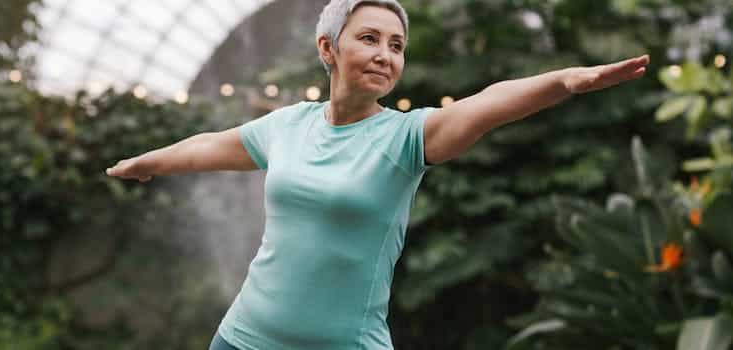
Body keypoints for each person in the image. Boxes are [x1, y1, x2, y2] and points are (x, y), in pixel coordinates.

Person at [105, 0, 650, 349]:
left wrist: (564, 81)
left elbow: (489, 103)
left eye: (397, 46)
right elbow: (208, 146)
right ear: (329, 48)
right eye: (369, 38)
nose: (385, 55)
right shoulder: (286, 126)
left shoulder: (407, 138)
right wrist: (149, 161)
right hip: (244, 339)